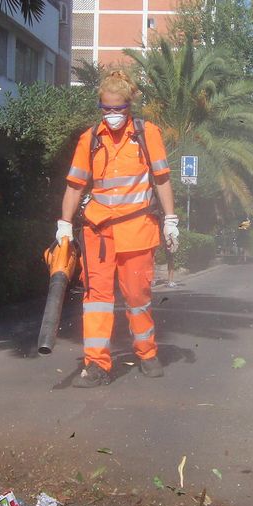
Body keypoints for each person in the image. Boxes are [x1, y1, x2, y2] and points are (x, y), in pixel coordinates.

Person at [57, 70, 178, 387]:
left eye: (118, 109)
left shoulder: (146, 134)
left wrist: (171, 219)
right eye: (106, 108)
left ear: (129, 106)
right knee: (96, 298)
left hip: (137, 228)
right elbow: (74, 186)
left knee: (137, 297)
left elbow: (162, 179)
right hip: (98, 231)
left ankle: (146, 353)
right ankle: (96, 365)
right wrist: (64, 225)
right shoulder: (90, 138)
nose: (111, 115)